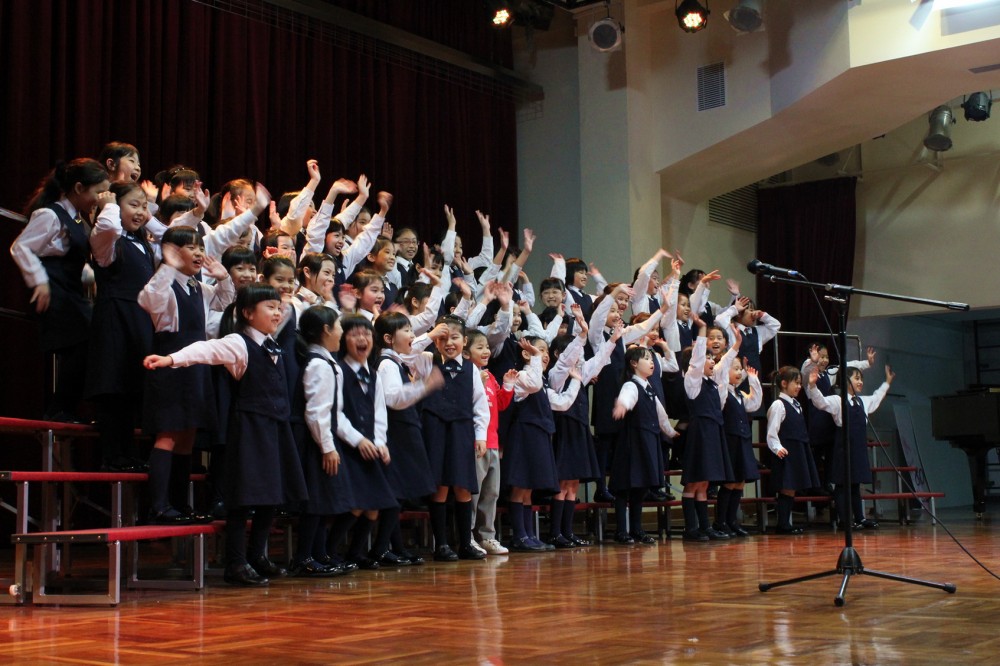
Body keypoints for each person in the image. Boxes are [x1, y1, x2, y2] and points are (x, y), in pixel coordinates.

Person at [143, 284, 308, 586]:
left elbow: (288, 312)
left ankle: (257, 555)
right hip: (250, 428)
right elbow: (206, 350)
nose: (277, 313)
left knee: (271, 496)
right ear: (247, 313)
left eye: (278, 307)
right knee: (244, 498)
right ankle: (236, 563)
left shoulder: (271, 342)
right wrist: (171, 359)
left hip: (275, 427)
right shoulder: (238, 343)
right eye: (270, 307)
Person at [10, 158, 110, 421]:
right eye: (98, 192)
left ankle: (66, 408)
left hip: (70, 290)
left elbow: (72, 257)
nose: (101, 198)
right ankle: (59, 409)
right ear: (78, 188)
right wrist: (39, 280)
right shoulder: (50, 215)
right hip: (54, 290)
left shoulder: (77, 218)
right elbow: (21, 247)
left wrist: (90, 276)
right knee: (83, 341)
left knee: (91, 342)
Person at [86, 181, 156, 471]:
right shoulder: (108, 240)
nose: (140, 212)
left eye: (144, 206)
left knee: (132, 389)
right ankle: (113, 456)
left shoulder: (143, 244)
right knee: (113, 387)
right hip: (115, 319)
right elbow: (109, 227)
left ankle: (129, 454)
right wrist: (108, 204)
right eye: (133, 205)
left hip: (139, 321)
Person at [371, 312, 445, 565]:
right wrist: (425, 385)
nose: (412, 335)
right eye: (406, 330)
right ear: (388, 338)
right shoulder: (387, 365)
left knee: (399, 495)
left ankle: (394, 548)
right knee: (395, 494)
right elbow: (393, 398)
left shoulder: (395, 362)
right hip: (395, 434)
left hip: (402, 433)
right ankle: (381, 549)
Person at [325, 315, 397, 570]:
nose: (362, 339)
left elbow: (379, 413)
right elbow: (335, 413)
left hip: (371, 447)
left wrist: (380, 442)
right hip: (348, 447)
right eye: (354, 334)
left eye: (366, 334)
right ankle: (329, 552)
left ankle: (355, 553)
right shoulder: (338, 370)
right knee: (356, 506)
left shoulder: (374, 375)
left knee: (374, 506)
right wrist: (358, 440)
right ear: (343, 339)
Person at [420, 314, 490, 562]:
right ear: (435, 342)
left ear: (465, 341)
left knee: (463, 485)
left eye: (455, 337)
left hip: (461, 430)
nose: (449, 343)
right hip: (435, 430)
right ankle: (441, 544)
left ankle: (465, 543)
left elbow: (480, 405)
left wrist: (481, 436)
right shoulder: (426, 362)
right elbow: (407, 353)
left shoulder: (472, 370)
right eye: (443, 338)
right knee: (440, 486)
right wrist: (429, 336)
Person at [291, 305, 353, 577]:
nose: (342, 332)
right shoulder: (318, 364)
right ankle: (303, 558)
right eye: (338, 326)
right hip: (315, 442)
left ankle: (318, 554)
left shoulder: (326, 361)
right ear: (326, 330)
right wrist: (327, 447)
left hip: (323, 439)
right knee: (315, 502)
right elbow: (316, 412)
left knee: (324, 501)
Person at [806, 362, 894, 530]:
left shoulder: (863, 401)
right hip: (843, 449)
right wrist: (812, 385)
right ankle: (844, 520)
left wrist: (887, 383)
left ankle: (860, 518)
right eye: (857, 378)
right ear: (846, 381)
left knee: (855, 484)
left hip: (858, 449)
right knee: (842, 485)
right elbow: (820, 402)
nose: (860, 382)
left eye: (861, 379)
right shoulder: (837, 401)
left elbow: (877, 397)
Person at [610, 346, 680, 544]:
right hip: (633, 442)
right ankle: (621, 531)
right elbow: (627, 397)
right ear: (634, 363)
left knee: (640, 488)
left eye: (651, 359)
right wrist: (622, 406)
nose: (651, 362)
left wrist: (670, 431)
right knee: (625, 487)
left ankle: (637, 529)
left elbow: (661, 415)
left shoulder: (650, 388)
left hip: (648, 441)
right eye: (646, 358)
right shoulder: (631, 385)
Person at [678, 315, 739, 541]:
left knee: (704, 481)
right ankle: (690, 528)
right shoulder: (692, 381)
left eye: (712, 359)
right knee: (694, 481)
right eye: (708, 359)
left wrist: (736, 345)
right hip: (700, 434)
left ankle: (705, 526)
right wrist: (702, 329)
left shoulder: (713, 383)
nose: (712, 362)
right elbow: (696, 361)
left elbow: (724, 364)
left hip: (714, 432)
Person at [463, 329, 515, 555]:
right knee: (473, 493)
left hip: (493, 441)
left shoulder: (490, 376)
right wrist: (475, 384)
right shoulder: (466, 374)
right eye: (480, 347)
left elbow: (500, 404)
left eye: (487, 347)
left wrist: (508, 386)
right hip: (476, 442)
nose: (486, 351)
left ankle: (487, 536)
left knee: (491, 492)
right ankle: (467, 535)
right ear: (466, 353)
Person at [765, 366, 822, 534]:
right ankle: (783, 524)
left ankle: (785, 523)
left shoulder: (797, 405)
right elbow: (772, 431)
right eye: (795, 383)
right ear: (784, 384)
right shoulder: (778, 405)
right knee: (787, 487)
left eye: (799, 383)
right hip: (786, 451)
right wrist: (777, 448)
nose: (798, 387)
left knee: (792, 488)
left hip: (798, 449)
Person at [714, 357, 763, 536]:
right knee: (730, 482)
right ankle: (721, 522)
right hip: (730, 441)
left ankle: (732, 521)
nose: (739, 372)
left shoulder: (739, 394)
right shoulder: (722, 392)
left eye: (739, 369)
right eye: (734, 368)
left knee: (740, 481)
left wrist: (753, 380)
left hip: (743, 440)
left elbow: (755, 403)